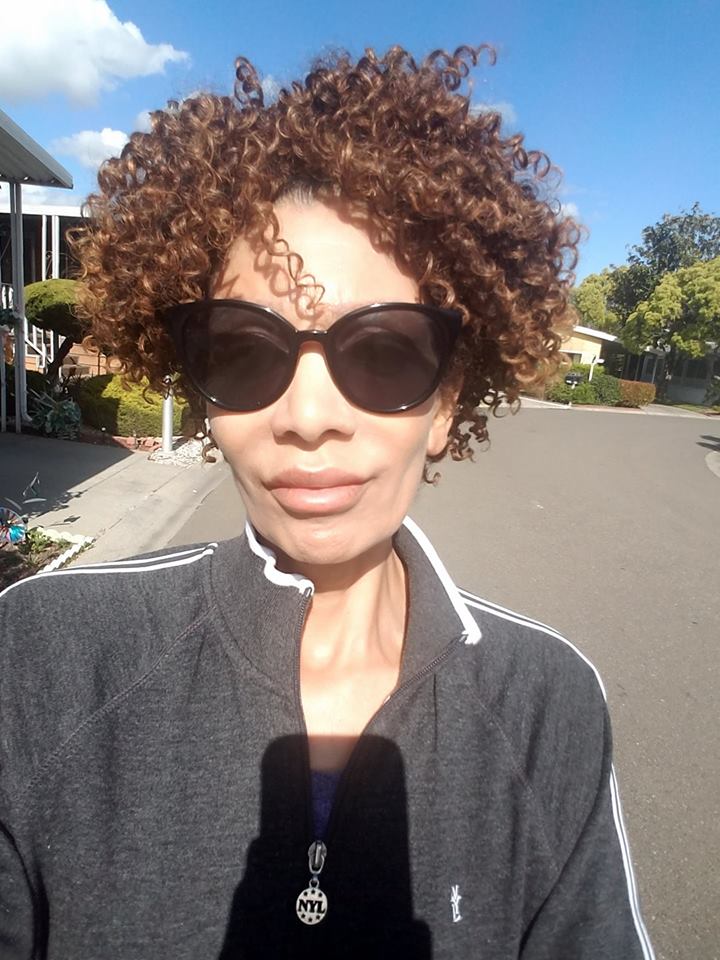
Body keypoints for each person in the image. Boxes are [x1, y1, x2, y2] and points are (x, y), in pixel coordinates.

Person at [0, 45, 654, 959]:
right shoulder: (41, 664)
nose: (308, 417)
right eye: (244, 351)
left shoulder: (549, 706)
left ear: (446, 404)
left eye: (383, 352)